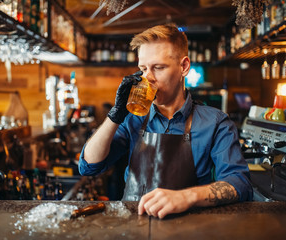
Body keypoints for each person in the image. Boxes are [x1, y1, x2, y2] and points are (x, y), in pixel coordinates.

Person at [79, 24, 252, 219]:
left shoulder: (216, 123)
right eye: (143, 69)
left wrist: (186, 197)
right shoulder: (132, 119)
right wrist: (115, 115)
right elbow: (89, 166)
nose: (148, 78)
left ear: (184, 67)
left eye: (158, 68)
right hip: (133, 227)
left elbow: (239, 183)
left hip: (191, 228)